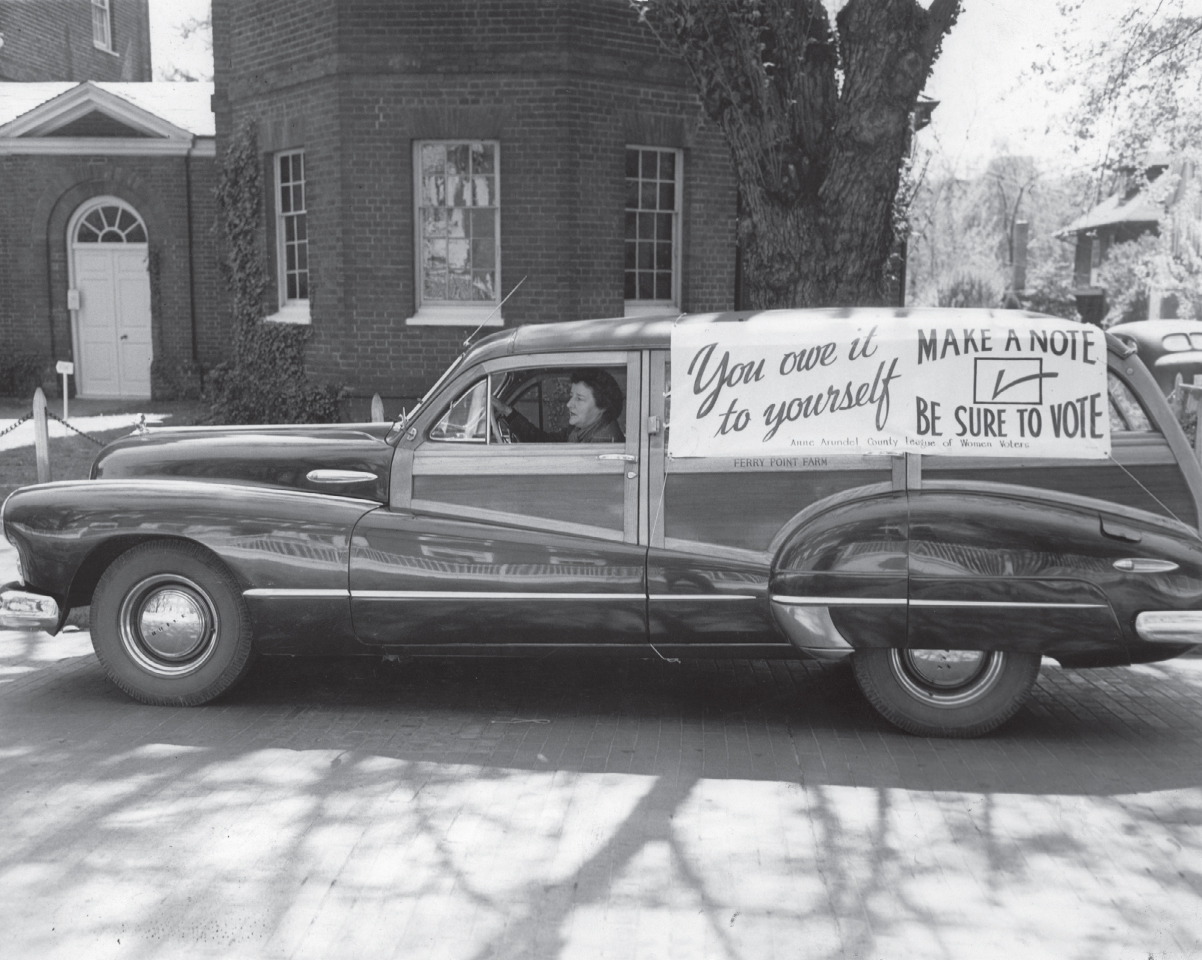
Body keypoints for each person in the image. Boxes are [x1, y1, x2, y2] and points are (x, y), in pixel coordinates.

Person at [491, 368, 625, 443]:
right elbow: (545, 441)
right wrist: (506, 410)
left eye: (579, 399)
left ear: (603, 406)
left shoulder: (603, 441)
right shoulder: (581, 430)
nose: (568, 404)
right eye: (571, 396)